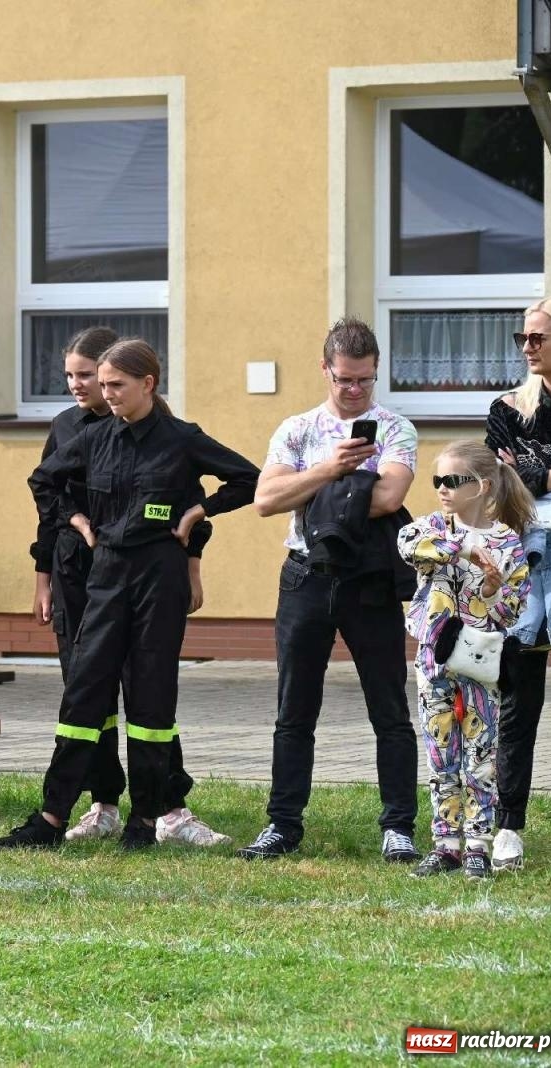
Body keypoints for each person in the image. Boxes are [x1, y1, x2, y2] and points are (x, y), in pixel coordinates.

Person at [0, 340, 257, 851]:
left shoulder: (181, 439)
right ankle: (51, 818)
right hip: (107, 571)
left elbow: (248, 478)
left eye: (117, 385)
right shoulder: (94, 438)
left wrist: (197, 512)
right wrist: (75, 520)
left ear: (148, 384)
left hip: (159, 574)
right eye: (104, 384)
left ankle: (144, 820)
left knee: (151, 695)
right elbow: (44, 480)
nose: (107, 393)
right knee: (85, 690)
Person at [238, 317, 421, 863]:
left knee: (388, 705)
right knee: (294, 709)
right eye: (345, 379)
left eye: (364, 380)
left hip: (369, 579)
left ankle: (398, 827)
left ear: (376, 372)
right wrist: (330, 470)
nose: (355, 390)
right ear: (325, 369)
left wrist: (312, 485)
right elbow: (266, 499)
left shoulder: (393, 428)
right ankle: (283, 824)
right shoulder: (297, 429)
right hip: (304, 576)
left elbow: (388, 498)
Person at [397, 442, 532, 880]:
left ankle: (477, 843)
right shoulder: (433, 527)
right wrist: (465, 550)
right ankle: (445, 844)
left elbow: (513, 610)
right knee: (441, 754)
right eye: (437, 481)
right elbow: (408, 543)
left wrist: (492, 590)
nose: (442, 489)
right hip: (434, 663)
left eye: (453, 481)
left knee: (481, 755)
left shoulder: (508, 543)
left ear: (483, 486)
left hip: (479, 663)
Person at [484, 295, 551, 872]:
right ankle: (508, 828)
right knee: (519, 707)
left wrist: (536, 474)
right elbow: (502, 485)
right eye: (523, 339)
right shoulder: (510, 407)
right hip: (526, 574)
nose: (527, 348)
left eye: (539, 337)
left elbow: (529, 475)